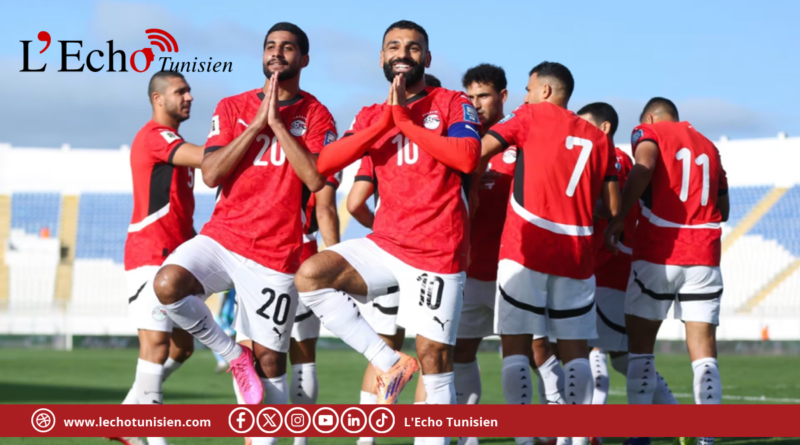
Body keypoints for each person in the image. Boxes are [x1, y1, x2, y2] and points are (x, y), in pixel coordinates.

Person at [295, 20, 481, 445]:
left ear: (427, 58)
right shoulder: (368, 114)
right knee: (311, 276)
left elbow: (468, 158)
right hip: (386, 244)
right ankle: (389, 361)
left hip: (438, 250)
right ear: (382, 57)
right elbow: (324, 164)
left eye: (413, 47)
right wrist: (384, 123)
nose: (403, 53)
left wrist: (406, 122)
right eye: (394, 46)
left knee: (435, 357)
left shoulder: (451, 102)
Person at [153, 23, 337, 445]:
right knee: (167, 284)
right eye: (271, 46)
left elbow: (315, 180)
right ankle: (232, 355)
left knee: (270, 363)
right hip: (224, 236)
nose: (277, 53)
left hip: (277, 251)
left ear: (304, 59)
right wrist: (256, 126)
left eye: (287, 47)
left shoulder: (317, 114)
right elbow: (211, 174)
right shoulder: (232, 106)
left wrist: (279, 125)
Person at [482, 62, 620, 445]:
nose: (524, 97)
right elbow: (611, 206)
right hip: (577, 252)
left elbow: (478, 152)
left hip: (526, 248)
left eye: (528, 89)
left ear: (544, 91)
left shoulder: (529, 116)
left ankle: (525, 440)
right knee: (575, 352)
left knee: (515, 347)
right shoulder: (598, 138)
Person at [605, 97, 729, 445]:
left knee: (641, 349)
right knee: (704, 353)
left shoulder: (649, 132)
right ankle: (707, 439)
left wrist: (619, 216)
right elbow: (724, 208)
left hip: (659, 250)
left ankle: (640, 433)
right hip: (704, 253)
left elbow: (643, 167)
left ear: (650, 117)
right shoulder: (710, 146)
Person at [118, 70, 204, 445]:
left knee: (182, 347)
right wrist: (248, 139)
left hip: (177, 258)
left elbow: (180, 213)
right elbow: (205, 158)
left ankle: (125, 416)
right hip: (152, 255)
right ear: (158, 99)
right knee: (154, 346)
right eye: (180, 91)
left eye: (189, 91)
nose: (189, 97)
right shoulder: (156, 136)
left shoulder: (174, 141)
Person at [576, 102, 678, 410]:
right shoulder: (619, 159)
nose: (577, 130)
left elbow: (611, 206)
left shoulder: (609, 159)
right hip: (612, 268)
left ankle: (587, 429)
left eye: (584, 125)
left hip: (606, 268)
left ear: (604, 128)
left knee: (586, 350)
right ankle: (679, 420)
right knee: (620, 357)